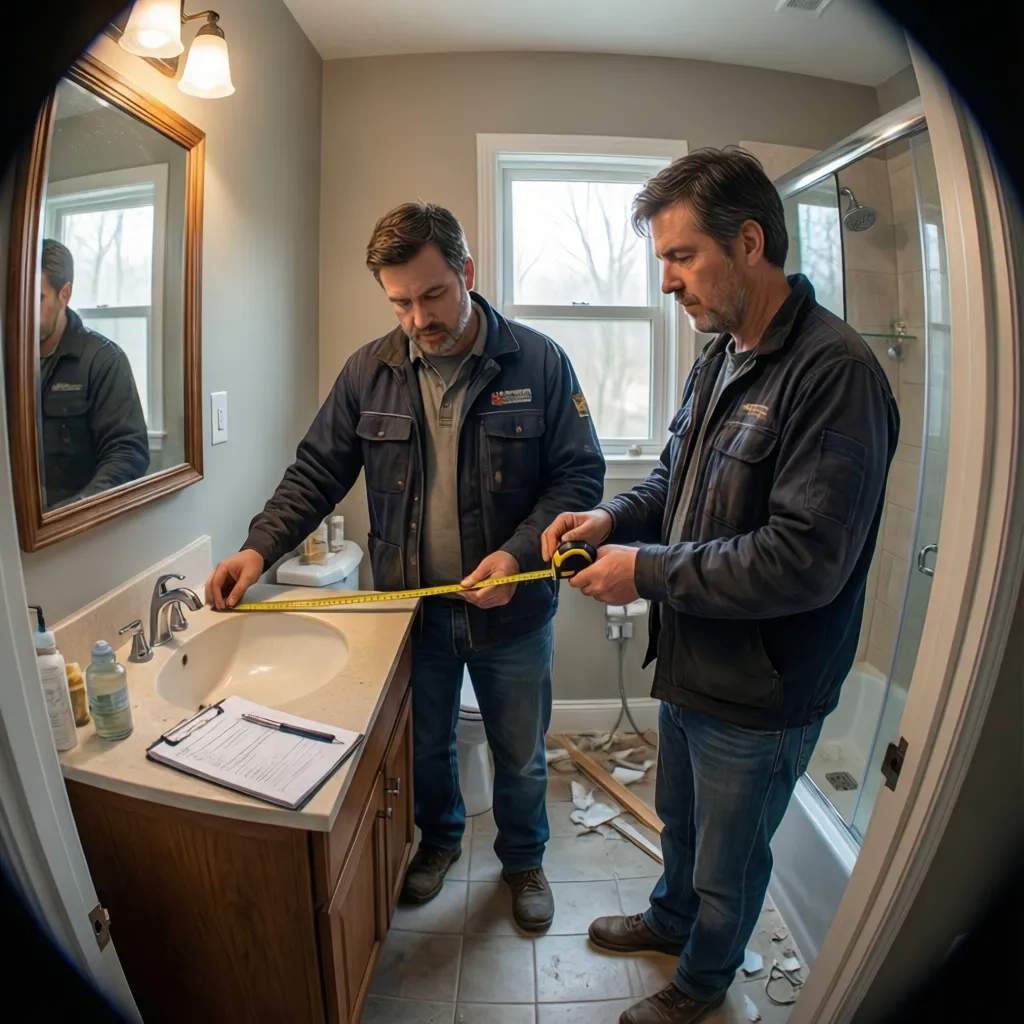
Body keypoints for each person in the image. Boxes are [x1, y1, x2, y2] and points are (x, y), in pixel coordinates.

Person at [542, 148, 899, 1024]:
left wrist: (647, 573)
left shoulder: (835, 374)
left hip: (766, 684)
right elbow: (673, 482)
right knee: (686, 825)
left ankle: (703, 985)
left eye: (681, 256)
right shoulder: (724, 355)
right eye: (662, 260)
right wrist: (610, 523)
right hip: (697, 660)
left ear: (749, 242)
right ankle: (670, 920)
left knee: (731, 862)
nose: (667, 282)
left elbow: (803, 560)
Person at [206, 202, 604, 931]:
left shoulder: (540, 361)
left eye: (431, 295)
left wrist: (516, 555)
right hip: (411, 614)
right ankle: (440, 842)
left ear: (467, 273)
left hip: (513, 614)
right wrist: (258, 548)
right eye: (399, 302)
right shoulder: (369, 371)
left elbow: (579, 480)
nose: (417, 318)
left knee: (519, 754)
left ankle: (523, 861)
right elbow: (314, 473)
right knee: (426, 746)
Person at [37, 238, 150, 508]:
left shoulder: (104, 360)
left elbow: (127, 454)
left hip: (74, 530)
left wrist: (72, 513)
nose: (24, 311)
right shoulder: (8, 358)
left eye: (38, 299)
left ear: (65, 294)